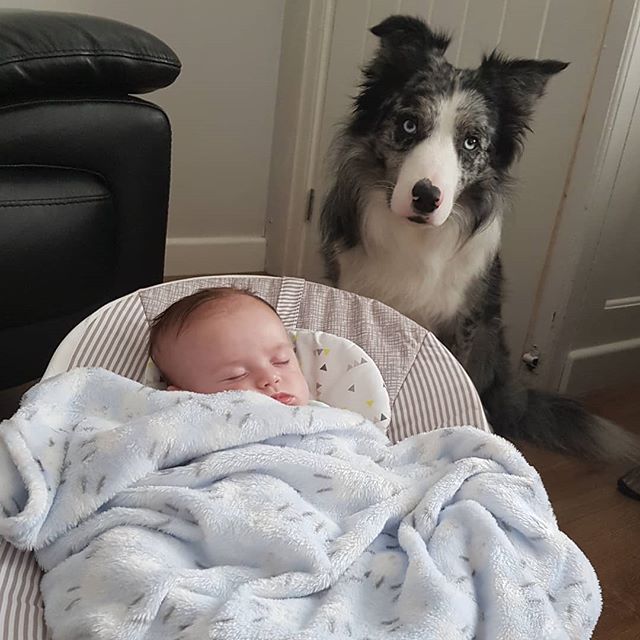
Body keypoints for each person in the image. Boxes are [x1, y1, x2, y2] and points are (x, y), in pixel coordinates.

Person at [149, 287, 311, 406]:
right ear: (185, 397)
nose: (270, 378)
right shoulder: (188, 433)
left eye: (282, 361)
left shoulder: (326, 417)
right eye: (236, 375)